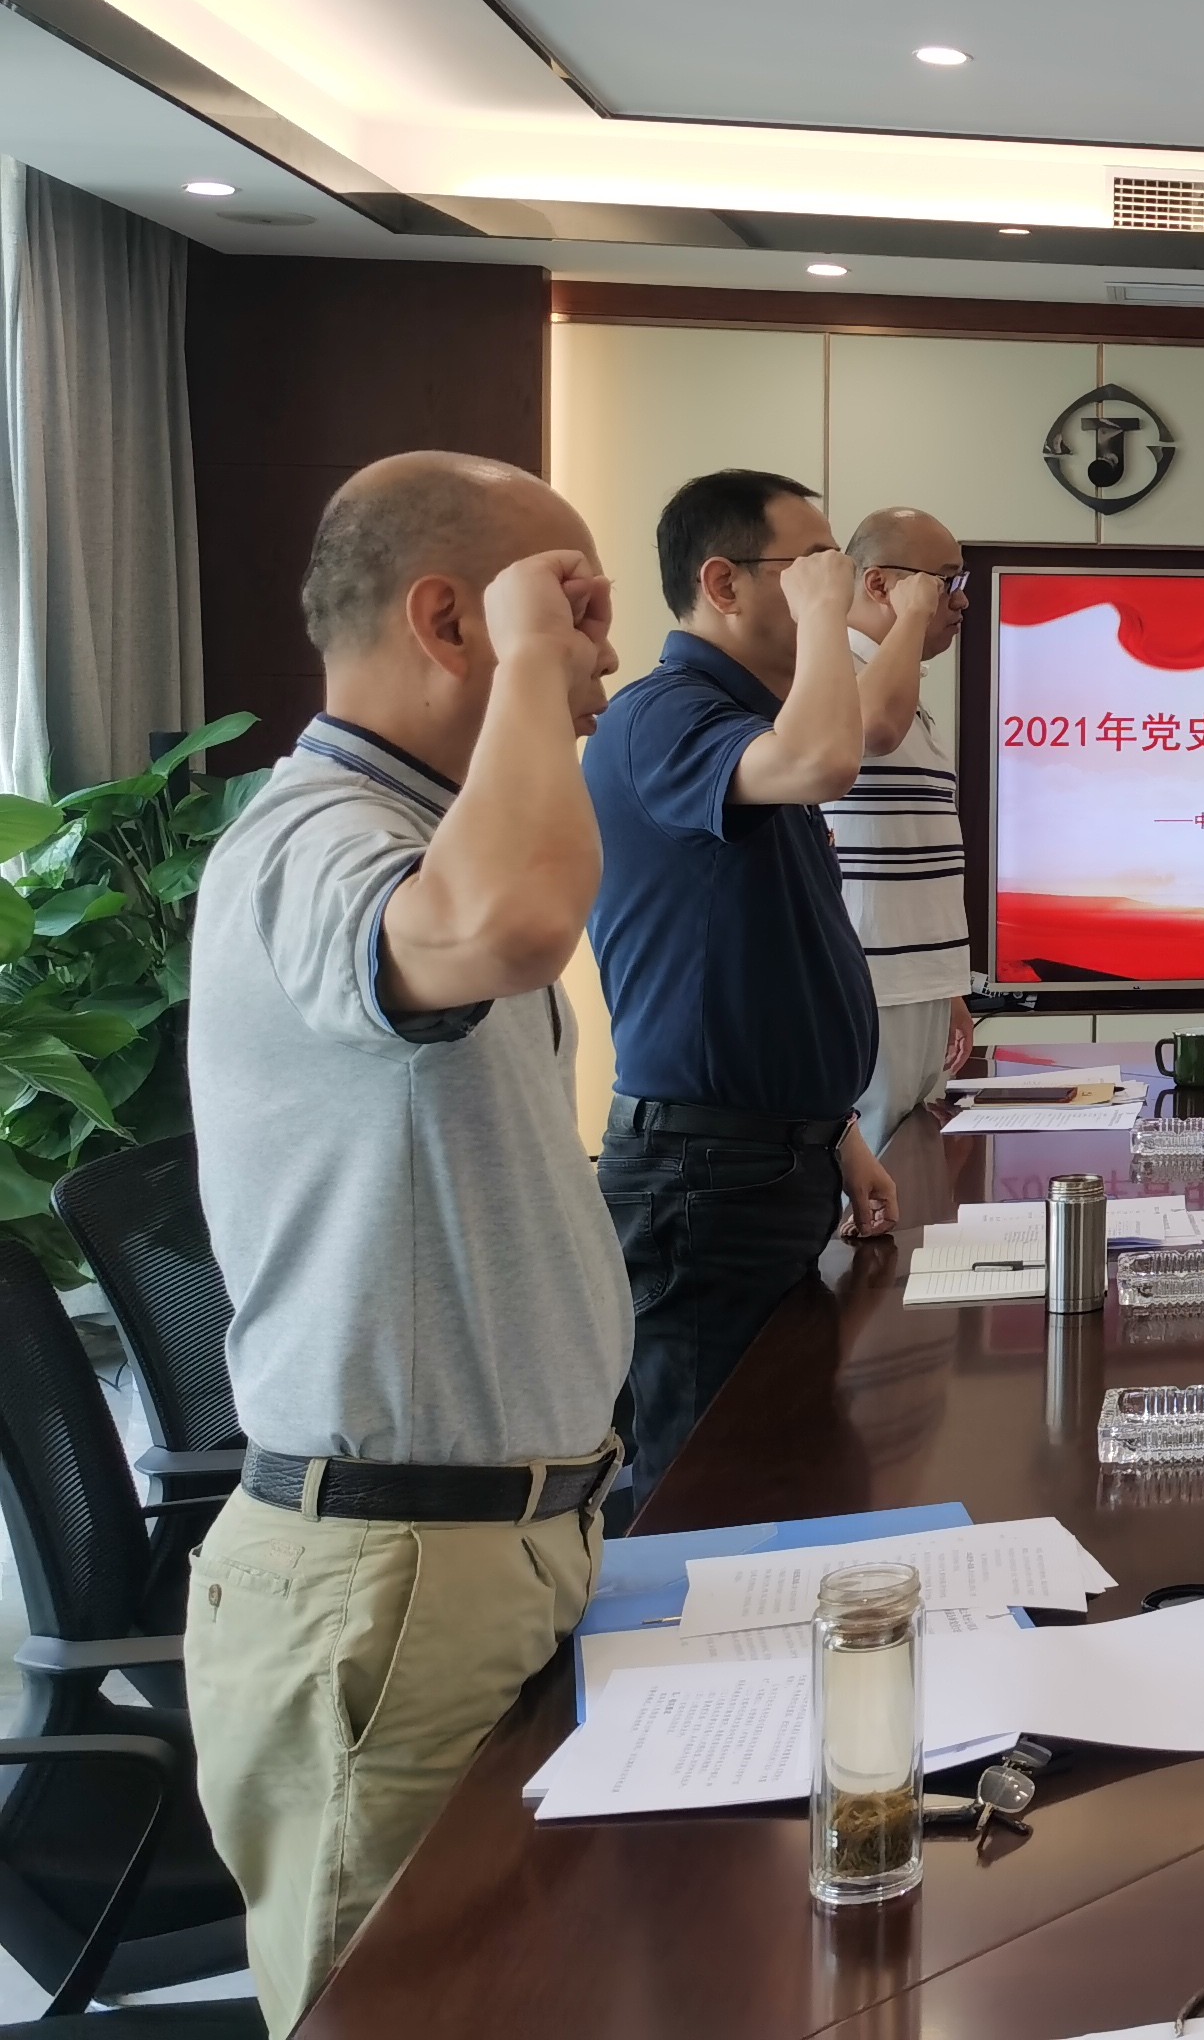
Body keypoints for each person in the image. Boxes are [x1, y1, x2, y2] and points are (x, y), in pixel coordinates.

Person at [183, 454, 629, 2032]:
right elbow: (510, 923)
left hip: (491, 1554)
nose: (605, 656)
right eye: (578, 609)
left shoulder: (424, 835)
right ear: (450, 621)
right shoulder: (315, 839)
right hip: (392, 1585)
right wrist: (533, 659)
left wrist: (531, 656)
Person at [585, 469, 913, 1505]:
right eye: (811, 563)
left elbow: (769, 946)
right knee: (707, 1482)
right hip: (704, 1175)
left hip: (767, 1159)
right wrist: (828, 619)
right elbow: (827, 761)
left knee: (782, 1455)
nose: (834, 581)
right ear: (722, 583)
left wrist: (835, 1129)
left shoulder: (744, 724)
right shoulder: (663, 715)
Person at [829, 505, 976, 1147]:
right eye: (946, 581)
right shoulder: (833, 667)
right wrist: (913, 617)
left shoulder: (902, 690)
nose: (960, 601)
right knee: (872, 1169)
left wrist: (946, 986)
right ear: (879, 584)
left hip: (915, 980)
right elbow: (873, 730)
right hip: (868, 981)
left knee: (912, 1160)